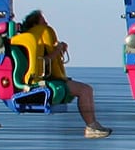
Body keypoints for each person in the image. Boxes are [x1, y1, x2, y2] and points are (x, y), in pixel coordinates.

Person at [20, 10, 111, 138]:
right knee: (85, 90)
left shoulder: (34, 42)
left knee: (87, 90)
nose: (47, 24)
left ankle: (93, 124)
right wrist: (57, 51)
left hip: (46, 79)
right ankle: (91, 126)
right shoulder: (32, 44)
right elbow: (41, 63)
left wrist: (59, 50)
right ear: (36, 24)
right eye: (43, 21)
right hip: (39, 83)